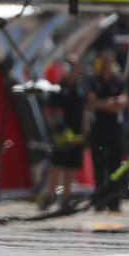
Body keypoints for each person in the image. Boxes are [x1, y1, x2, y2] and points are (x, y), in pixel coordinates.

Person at [86, 48, 129, 212]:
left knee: (115, 165)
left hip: (114, 129)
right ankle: (99, 199)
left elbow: (123, 103)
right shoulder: (93, 80)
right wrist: (112, 103)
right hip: (98, 128)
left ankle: (114, 200)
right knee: (98, 165)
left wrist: (103, 103)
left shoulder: (118, 81)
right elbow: (91, 104)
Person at [41, 57, 85, 209]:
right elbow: (46, 110)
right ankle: (48, 198)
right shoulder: (57, 89)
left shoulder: (80, 90)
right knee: (57, 165)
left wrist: (85, 130)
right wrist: (55, 127)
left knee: (71, 167)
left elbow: (84, 111)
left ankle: (65, 200)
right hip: (60, 134)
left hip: (76, 133)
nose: (76, 72)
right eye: (74, 69)